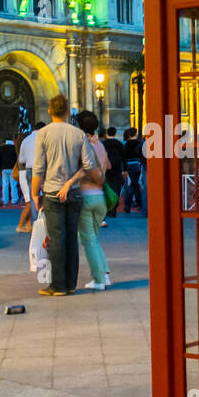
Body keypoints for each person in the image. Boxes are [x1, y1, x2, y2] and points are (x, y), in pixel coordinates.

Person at [31, 94, 97, 295]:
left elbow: (38, 168)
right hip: (74, 193)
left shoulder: (43, 134)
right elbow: (89, 166)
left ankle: (58, 285)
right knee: (71, 238)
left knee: (57, 239)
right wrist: (70, 182)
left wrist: (35, 193)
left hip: (52, 193)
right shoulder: (78, 134)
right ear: (68, 111)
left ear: (49, 111)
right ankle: (70, 283)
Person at [75, 111, 112, 289]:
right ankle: (104, 274)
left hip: (86, 196)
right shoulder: (100, 145)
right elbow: (109, 165)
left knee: (88, 240)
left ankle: (98, 279)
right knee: (93, 238)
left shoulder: (84, 145)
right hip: (101, 198)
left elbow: (85, 168)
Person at [17, 123, 44, 232]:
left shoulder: (26, 140)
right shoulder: (45, 137)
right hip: (43, 168)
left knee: (34, 196)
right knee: (48, 194)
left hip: (29, 169)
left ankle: (35, 222)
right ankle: (46, 221)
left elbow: (21, 160)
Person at [102, 126, 127, 218]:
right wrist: (125, 169)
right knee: (116, 189)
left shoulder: (104, 144)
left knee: (107, 187)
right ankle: (113, 209)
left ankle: (107, 208)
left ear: (107, 133)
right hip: (117, 169)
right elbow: (124, 157)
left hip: (106, 169)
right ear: (115, 133)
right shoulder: (119, 144)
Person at [121, 126, 147, 215]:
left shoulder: (124, 144)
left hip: (128, 166)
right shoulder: (140, 143)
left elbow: (123, 157)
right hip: (137, 166)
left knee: (129, 185)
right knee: (136, 185)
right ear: (135, 134)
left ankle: (127, 206)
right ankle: (140, 204)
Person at [0, 138, 18, 205]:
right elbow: (17, 159)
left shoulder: (2, 148)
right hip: (12, 169)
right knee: (13, 185)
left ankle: (5, 200)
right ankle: (14, 199)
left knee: (5, 185)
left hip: (4, 169)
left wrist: (0, 168)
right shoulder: (14, 148)